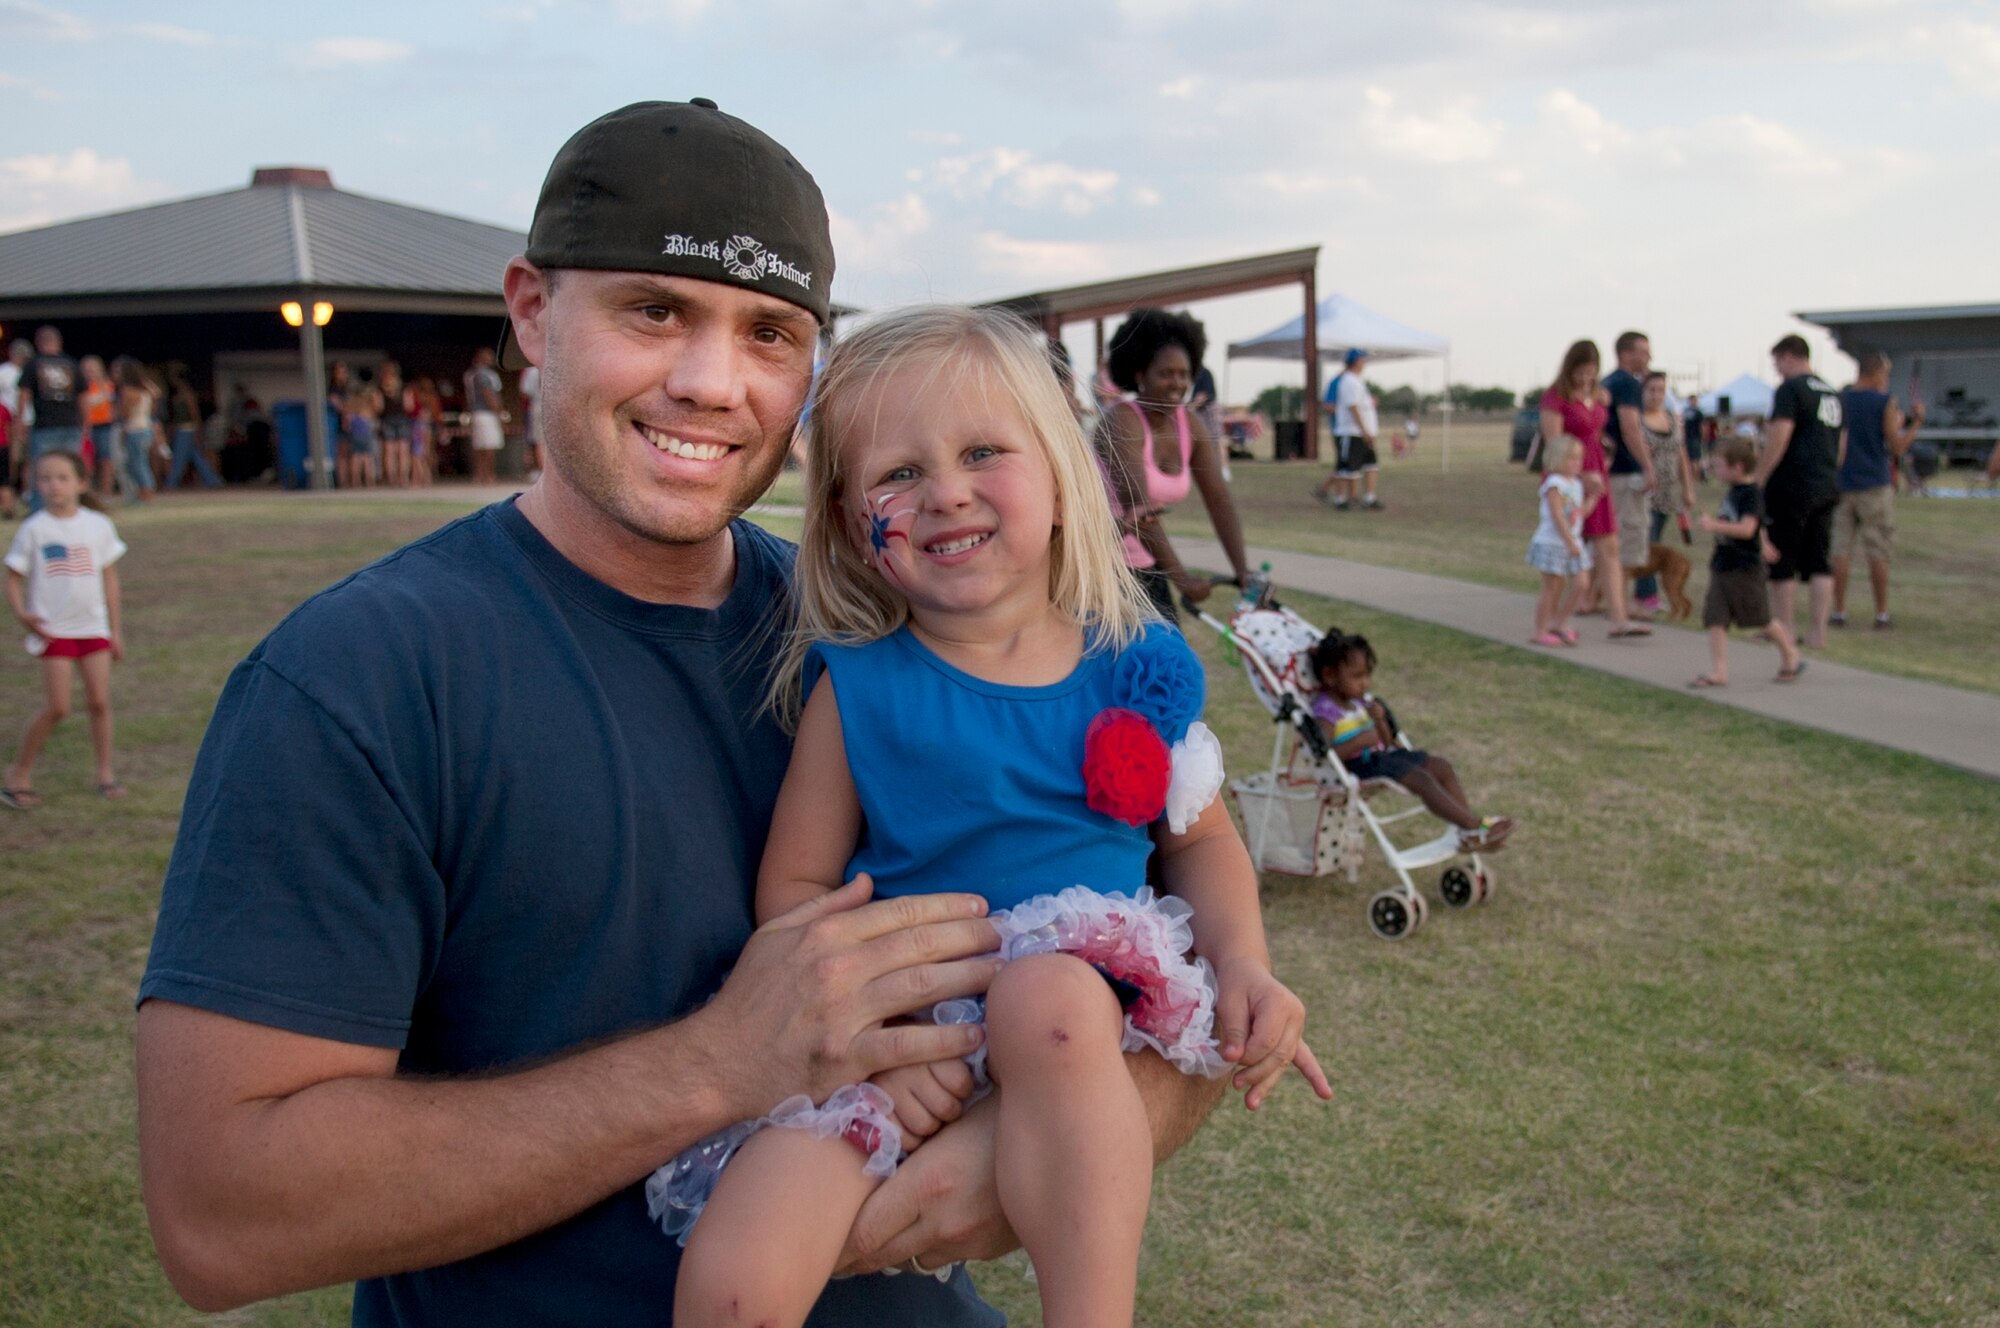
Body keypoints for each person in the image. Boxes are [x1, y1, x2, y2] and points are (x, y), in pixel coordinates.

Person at [135, 98, 1222, 1326]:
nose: (711, 383)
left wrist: (1030, 1148)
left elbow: (1184, 959)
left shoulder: (885, 627)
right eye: (654, 311)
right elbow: (219, 1216)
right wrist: (721, 1060)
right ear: (534, 312)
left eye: (768, 332)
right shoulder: (359, 680)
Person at [666, 305, 1329, 1328]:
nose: (944, 491)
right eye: (897, 474)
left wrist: (1242, 962)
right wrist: (877, 1033)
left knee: (1045, 1000)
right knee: (738, 1262)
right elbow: (795, 886)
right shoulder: (859, 686)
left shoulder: (1128, 668)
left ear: (1065, 483)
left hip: (1073, 1007)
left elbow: (1197, 839)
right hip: (905, 1024)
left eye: (982, 451)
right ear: (853, 524)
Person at [1095, 307, 1251, 621]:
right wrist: (1183, 580)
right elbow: (1138, 510)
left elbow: (1218, 499)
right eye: (1166, 374)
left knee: (1170, 662)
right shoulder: (1121, 420)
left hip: (1145, 563)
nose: (1177, 383)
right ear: (1140, 375)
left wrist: (1243, 571)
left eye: (1184, 374)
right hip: (1099, 566)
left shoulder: (1189, 424)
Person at [1308, 629, 1513, 850]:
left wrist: (1380, 721)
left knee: (1441, 766)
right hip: (1360, 766)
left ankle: (1468, 830)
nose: (1365, 683)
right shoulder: (1326, 710)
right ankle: (1471, 825)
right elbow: (1326, 754)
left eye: (1367, 675)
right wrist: (1359, 741)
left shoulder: (1359, 703)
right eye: (1357, 677)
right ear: (1330, 676)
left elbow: (1385, 743)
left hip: (1383, 757)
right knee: (1422, 779)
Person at [1, 450, 126, 807]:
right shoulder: (34, 529)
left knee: (99, 702)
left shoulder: (98, 526)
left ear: (80, 483)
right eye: (45, 478)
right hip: (54, 631)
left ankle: (105, 775)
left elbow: (110, 578)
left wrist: (115, 630)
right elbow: (12, 579)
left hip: (93, 629)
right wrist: (24, 614)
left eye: (62, 478)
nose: (53, 485)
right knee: (58, 707)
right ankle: (19, 774)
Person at [1539, 340, 1648, 638]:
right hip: (1568, 478)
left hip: (1597, 474)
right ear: (1569, 368)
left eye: (1591, 372)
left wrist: (1603, 457)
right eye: (1580, 372)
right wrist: (1579, 475)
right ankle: (1551, 620)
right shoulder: (1555, 397)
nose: (1585, 378)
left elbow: (1598, 432)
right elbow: (1554, 444)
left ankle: (1619, 619)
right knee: (1562, 547)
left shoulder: (1598, 395)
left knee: (1609, 545)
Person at [1691, 437, 1803, 687]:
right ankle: (1719, 671)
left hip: (1744, 569)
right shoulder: (1734, 493)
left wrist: (1713, 525)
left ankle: (1789, 653)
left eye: (1719, 465)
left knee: (1761, 618)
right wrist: (1764, 543)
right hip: (1722, 564)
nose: (1715, 470)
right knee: (1715, 618)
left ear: (1737, 467)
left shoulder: (1751, 494)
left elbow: (1747, 528)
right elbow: (1758, 528)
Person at [1758, 334, 1842, 650]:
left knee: (1783, 559)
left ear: (1789, 356)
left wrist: (1760, 478)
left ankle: (1785, 628)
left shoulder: (1790, 390)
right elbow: (1841, 442)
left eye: (1778, 361)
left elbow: (1779, 435)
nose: (1777, 369)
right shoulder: (1832, 391)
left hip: (1792, 484)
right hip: (1826, 482)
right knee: (1820, 560)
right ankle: (1818, 631)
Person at [1832, 349, 1921, 631]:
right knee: (1878, 550)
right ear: (1876, 373)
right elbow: (1897, 446)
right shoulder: (1884, 402)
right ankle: (1881, 613)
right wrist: (1916, 422)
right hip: (1874, 482)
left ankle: (1839, 611)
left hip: (1842, 482)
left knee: (1840, 549)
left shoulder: (1840, 399)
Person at [1601, 331, 1661, 613]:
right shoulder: (1628, 384)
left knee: (1606, 535)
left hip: (1609, 470)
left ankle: (1594, 597)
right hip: (1627, 470)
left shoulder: (1607, 382)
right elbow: (1630, 427)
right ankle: (1621, 602)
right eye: (1644, 351)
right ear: (1627, 353)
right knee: (1630, 533)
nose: (1648, 358)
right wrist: (1648, 465)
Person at [1629, 370, 1696, 620]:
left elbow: (1682, 454)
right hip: (1646, 490)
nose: (1656, 395)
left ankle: (1648, 595)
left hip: (1668, 492)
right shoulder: (1636, 419)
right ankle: (1647, 596)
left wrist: (1687, 488)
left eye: (1660, 390)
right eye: (1651, 390)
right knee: (1647, 542)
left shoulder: (1671, 418)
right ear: (1642, 392)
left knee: (1656, 544)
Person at [1526, 433, 1591, 646]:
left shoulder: (1577, 483)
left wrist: (1596, 496)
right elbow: (1557, 515)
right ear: (1557, 459)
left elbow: (1579, 513)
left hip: (1572, 542)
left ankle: (1561, 622)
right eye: (1571, 458)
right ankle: (1540, 630)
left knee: (1582, 584)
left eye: (1579, 458)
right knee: (1552, 588)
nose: (1576, 463)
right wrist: (1569, 541)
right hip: (1553, 542)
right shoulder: (1554, 483)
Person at [22, 326, 84, 514]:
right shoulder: (72, 364)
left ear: (39, 343)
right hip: (71, 424)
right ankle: (71, 508)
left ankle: (40, 511)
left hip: (44, 426)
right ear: (59, 342)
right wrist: (85, 424)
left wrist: (19, 421)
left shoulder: (34, 364)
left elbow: (23, 394)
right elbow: (84, 398)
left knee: (42, 470)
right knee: (69, 469)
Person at [1312, 348, 1383, 510]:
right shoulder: (1348, 381)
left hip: (1362, 432)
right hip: (1351, 431)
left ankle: (1368, 497)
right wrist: (1364, 430)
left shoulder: (1357, 381)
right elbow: (1351, 407)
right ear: (1356, 361)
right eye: (1363, 359)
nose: (1365, 363)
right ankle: (1341, 498)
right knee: (1347, 468)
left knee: (1369, 465)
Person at [162, 367, 220, 490]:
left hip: (187, 429)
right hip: (180, 429)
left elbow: (194, 414)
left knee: (179, 457)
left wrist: (198, 432)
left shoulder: (188, 395)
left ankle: (171, 482)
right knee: (196, 457)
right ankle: (212, 479)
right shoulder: (177, 395)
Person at [112, 357, 157, 504]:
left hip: (134, 430)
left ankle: (145, 492)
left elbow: (124, 413)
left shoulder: (128, 391)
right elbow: (156, 393)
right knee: (142, 462)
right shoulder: (146, 390)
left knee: (137, 464)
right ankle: (146, 491)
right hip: (146, 427)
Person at [464, 346, 504, 485]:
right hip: (487, 414)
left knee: (478, 446)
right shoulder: (485, 375)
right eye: (489, 356)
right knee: (489, 446)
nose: (492, 358)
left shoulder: (470, 374)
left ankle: (479, 475)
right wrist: (498, 412)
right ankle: (489, 475)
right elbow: (488, 394)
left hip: (476, 413)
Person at [80, 355, 117, 493]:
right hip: (85, 427)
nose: (90, 372)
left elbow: (111, 405)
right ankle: (87, 492)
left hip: (105, 426)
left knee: (106, 459)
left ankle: (106, 491)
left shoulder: (108, 385)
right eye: (87, 369)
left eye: (93, 369)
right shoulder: (81, 387)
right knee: (86, 461)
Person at [342, 367, 383, 489]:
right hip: (367, 434)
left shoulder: (351, 405)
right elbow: (376, 412)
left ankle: (355, 482)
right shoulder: (367, 407)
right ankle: (370, 482)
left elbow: (346, 421)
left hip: (355, 434)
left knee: (355, 457)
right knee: (368, 458)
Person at [407, 375, 440, 488]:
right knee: (426, 453)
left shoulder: (418, 397)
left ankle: (418, 479)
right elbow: (435, 415)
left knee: (417, 455)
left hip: (419, 427)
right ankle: (428, 477)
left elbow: (411, 410)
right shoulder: (432, 398)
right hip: (428, 427)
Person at [518, 362, 542, 478]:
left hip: (538, 405)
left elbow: (525, 392)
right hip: (555, 406)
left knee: (540, 441)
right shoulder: (555, 365)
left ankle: (543, 472)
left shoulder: (531, 370)